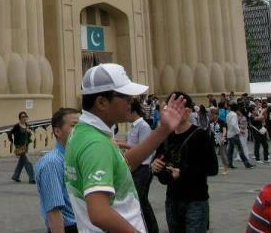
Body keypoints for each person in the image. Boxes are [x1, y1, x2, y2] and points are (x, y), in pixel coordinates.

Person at [64, 63, 187, 232]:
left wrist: (163, 130)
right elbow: (99, 213)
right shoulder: (95, 144)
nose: (131, 103)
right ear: (101, 102)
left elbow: (122, 164)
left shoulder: (83, 132)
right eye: (126, 97)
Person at [152, 92, 218, 233]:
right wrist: (156, 167)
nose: (172, 113)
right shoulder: (167, 136)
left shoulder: (200, 135)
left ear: (187, 111)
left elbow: (212, 168)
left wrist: (183, 172)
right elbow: (159, 159)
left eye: (177, 109)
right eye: (170, 109)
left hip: (195, 200)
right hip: (172, 199)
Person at [36, 108, 80, 233]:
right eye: (74, 125)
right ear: (57, 131)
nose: (81, 130)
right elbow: (54, 212)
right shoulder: (52, 163)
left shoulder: (77, 157)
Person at [126, 99, 158, 233]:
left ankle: (151, 228)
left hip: (143, 168)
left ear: (133, 111)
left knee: (141, 200)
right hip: (135, 167)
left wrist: (122, 144)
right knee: (139, 200)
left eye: (127, 111)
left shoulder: (143, 126)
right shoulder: (133, 126)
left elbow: (144, 148)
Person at [9, 111, 35, 184]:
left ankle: (16, 176)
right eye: (22, 117)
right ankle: (32, 178)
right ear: (19, 118)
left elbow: (29, 135)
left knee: (21, 162)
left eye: (25, 117)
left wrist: (29, 132)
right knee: (28, 162)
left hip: (25, 147)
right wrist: (12, 141)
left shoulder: (27, 125)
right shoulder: (17, 126)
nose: (24, 118)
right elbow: (10, 133)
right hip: (20, 147)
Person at [227, 103, 254, 169]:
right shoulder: (234, 115)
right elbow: (234, 124)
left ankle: (229, 164)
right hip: (234, 135)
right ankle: (247, 164)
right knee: (240, 150)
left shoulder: (229, 114)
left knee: (230, 151)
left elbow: (230, 124)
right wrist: (239, 131)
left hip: (229, 134)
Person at [208, 107, 229, 175]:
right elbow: (209, 131)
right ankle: (212, 168)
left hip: (221, 139)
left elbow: (224, 130)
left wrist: (223, 137)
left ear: (217, 115)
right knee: (212, 154)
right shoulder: (210, 121)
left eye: (213, 115)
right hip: (213, 139)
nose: (212, 116)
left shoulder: (222, 121)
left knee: (223, 154)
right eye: (211, 115)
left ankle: (226, 168)